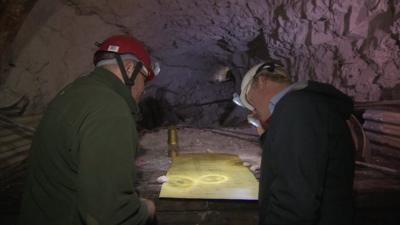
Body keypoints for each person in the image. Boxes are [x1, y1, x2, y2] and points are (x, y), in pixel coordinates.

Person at [18, 35, 159, 225]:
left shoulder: (72, 93)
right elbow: (110, 214)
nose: (142, 90)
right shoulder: (111, 110)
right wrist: (145, 210)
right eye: (144, 80)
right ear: (130, 69)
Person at [238, 62, 355, 225]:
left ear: (262, 80)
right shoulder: (305, 106)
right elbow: (292, 161)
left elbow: (295, 199)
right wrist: (268, 136)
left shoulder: (297, 108)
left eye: (250, 100)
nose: (252, 110)